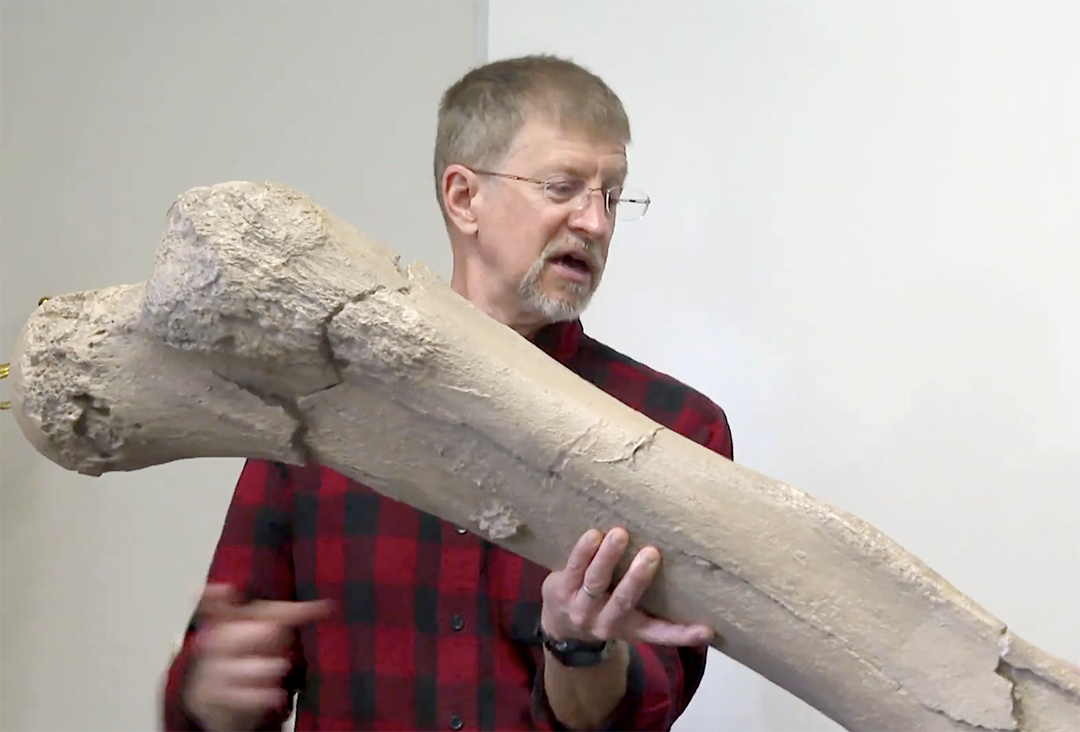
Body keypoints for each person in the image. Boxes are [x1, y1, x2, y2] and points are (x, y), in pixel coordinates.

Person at [161, 54, 734, 732]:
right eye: (563, 188)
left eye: (612, 194)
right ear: (464, 198)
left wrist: (578, 646)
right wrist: (207, 692)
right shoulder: (324, 406)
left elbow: (640, 709)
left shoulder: (675, 431)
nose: (596, 223)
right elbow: (221, 673)